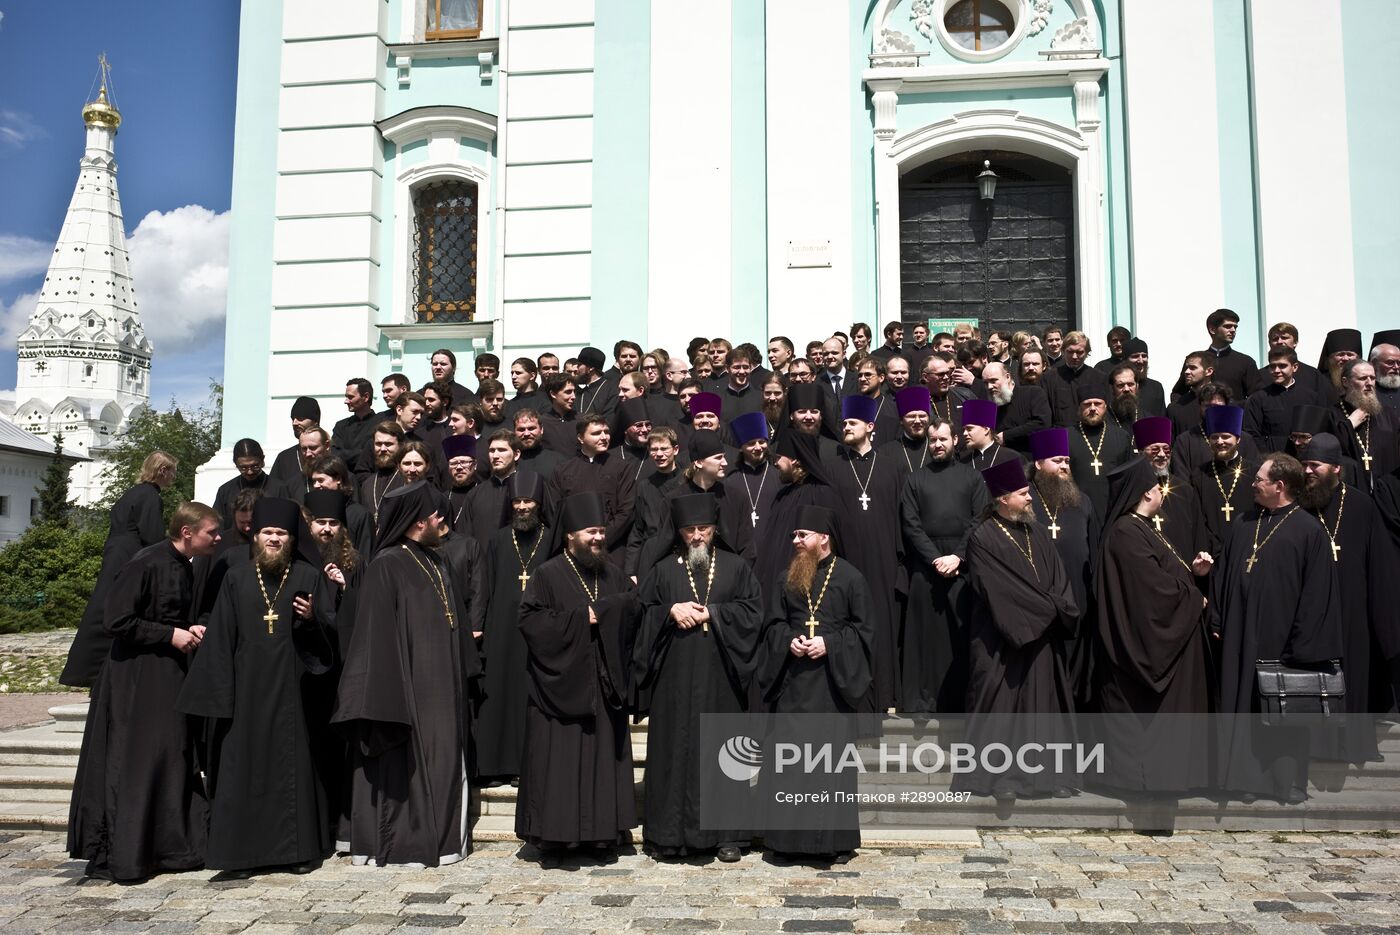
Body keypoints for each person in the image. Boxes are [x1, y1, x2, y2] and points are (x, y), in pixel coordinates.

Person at [176, 497, 337, 877]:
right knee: (241, 769)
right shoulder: (236, 577)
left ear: (292, 538)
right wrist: (218, 695)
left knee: (292, 767)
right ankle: (240, 855)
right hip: (246, 692)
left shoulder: (307, 576)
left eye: (281, 533)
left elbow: (332, 632)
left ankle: (297, 851)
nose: (274, 539)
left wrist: (312, 619)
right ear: (256, 536)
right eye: (268, 532)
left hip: (293, 691)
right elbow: (220, 640)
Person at [67, 501, 222, 882]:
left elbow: (171, 613)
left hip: (166, 674)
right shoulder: (146, 561)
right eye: (211, 533)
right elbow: (118, 620)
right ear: (188, 532)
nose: (218, 539)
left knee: (170, 755)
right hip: (135, 679)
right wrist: (171, 634)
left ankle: (168, 846)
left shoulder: (186, 565)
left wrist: (190, 628)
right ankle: (130, 852)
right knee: (139, 758)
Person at [333, 481, 484, 866]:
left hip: (443, 688)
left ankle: (446, 840)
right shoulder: (387, 565)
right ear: (419, 522)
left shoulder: (438, 560)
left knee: (446, 760)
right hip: (406, 689)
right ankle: (404, 843)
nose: (443, 522)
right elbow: (373, 640)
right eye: (436, 516)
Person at [632, 494, 763, 861]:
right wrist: (668, 611)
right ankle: (668, 837)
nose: (696, 536)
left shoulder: (737, 568)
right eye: (689, 529)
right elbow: (639, 614)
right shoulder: (661, 570)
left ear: (714, 530)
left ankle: (728, 837)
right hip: (673, 681)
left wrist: (714, 615)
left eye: (703, 528)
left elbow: (754, 612)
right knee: (674, 753)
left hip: (721, 678)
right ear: (679, 531)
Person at [516, 492, 640, 866]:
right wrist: (578, 620)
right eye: (591, 532)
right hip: (560, 688)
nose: (599, 538)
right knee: (559, 762)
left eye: (602, 531)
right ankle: (557, 838)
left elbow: (634, 610)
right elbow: (530, 620)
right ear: (570, 536)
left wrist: (608, 613)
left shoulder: (615, 573)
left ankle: (604, 834)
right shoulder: (547, 573)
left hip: (603, 684)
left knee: (604, 758)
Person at [1212, 453, 1341, 804]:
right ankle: (1242, 780)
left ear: (1279, 486)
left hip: (1281, 642)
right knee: (1240, 706)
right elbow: (1224, 573)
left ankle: (1285, 783)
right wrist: (1219, 618)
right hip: (1239, 634)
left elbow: (1317, 595)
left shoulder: (1308, 530)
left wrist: (1302, 644)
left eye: (1259, 479)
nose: (1253, 483)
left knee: (1279, 714)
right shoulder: (1243, 522)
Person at [955, 459, 1079, 801]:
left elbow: (1059, 579)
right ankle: (1000, 780)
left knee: (1041, 707)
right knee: (1001, 708)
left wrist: (1056, 609)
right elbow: (998, 588)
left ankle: (1045, 778)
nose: (1030, 499)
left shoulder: (1036, 531)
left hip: (1041, 638)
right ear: (1002, 499)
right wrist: (1045, 610)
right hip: (1001, 638)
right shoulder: (982, 538)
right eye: (1023, 493)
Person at [1091, 457, 1213, 797]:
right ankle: (1152, 788)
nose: (1162, 491)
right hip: (1150, 647)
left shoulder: (1140, 528)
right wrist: (1193, 600)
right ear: (1145, 494)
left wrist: (1194, 576)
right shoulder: (1126, 533)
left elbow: (1163, 575)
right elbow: (1149, 591)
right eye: (1158, 487)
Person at [756, 504, 872, 862]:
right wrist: (788, 639)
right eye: (794, 535)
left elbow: (865, 631)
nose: (795, 541)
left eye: (802, 535)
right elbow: (772, 624)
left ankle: (832, 843)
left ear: (823, 538)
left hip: (832, 690)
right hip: (793, 686)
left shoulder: (851, 578)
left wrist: (831, 643)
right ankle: (785, 841)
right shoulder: (786, 578)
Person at [1300, 434, 1399, 763]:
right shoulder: (1300, 506)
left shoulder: (1361, 505)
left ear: (1336, 470)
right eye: (1305, 465)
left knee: (1354, 678)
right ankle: (1315, 749)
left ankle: (1352, 746)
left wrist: (1384, 622)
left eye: (1315, 465)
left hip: (1353, 611)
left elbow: (1380, 566)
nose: (1308, 471)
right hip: (1311, 612)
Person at [61, 451, 177, 688]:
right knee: (121, 608)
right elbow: (152, 535)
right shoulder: (150, 496)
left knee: (104, 605)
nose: (173, 477)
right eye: (173, 471)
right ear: (163, 471)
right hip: (131, 556)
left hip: (115, 553)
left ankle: (89, 670)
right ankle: (102, 671)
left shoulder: (132, 493)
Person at [898, 419, 986, 713]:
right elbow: (910, 525)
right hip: (927, 566)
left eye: (942, 439)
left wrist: (958, 556)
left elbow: (979, 519)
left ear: (955, 440)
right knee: (926, 638)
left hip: (962, 566)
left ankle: (960, 701)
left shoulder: (972, 478)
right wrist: (935, 557)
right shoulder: (915, 479)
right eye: (933, 440)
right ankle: (923, 702)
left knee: (960, 636)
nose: (937, 445)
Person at [829, 393, 904, 712]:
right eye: (844, 422)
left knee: (883, 628)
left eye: (852, 422)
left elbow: (904, 514)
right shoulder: (835, 466)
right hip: (848, 562)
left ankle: (885, 695)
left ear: (870, 426)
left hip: (886, 561)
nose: (846, 427)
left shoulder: (892, 464)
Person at [476, 472, 552, 783]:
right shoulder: (497, 539)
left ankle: (525, 766)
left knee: (527, 695)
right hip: (501, 630)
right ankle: (495, 766)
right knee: (499, 693)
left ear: (538, 503)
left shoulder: (551, 539)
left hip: (538, 629)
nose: (522, 506)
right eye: (517, 501)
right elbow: (486, 585)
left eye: (527, 501)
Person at [1027, 427, 1099, 700]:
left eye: (1066, 461)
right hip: (1041, 596)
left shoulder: (1083, 502)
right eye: (1057, 461)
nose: (1064, 466)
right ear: (1038, 464)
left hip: (1078, 596)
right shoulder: (1025, 501)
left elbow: (1093, 550)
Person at [1189, 405, 1257, 553]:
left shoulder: (1255, 472)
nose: (1220, 442)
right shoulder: (1199, 474)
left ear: (1238, 439)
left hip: (1249, 549)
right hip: (1212, 553)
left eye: (1226, 436)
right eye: (1214, 437)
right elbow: (1198, 519)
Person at [1067, 384, 1132, 520]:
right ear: (1079, 407)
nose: (1092, 408)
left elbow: (1129, 476)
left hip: (1113, 508)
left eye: (1097, 404)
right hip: (1076, 509)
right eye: (1087, 404)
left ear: (1105, 407)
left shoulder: (1121, 436)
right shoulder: (1066, 436)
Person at [213, 439, 290, 527]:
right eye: (243, 468)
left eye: (255, 466)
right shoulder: (225, 491)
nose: (250, 472)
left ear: (262, 460)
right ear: (236, 464)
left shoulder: (279, 488)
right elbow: (218, 525)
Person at [268, 396, 322, 491]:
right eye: (293, 418)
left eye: (300, 418)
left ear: (315, 422)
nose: (294, 423)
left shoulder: (333, 454)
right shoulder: (284, 458)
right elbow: (273, 492)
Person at [879, 386, 932, 480]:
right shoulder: (885, 452)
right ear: (901, 420)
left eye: (922, 416)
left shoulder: (937, 448)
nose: (917, 421)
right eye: (911, 416)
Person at [332, 378, 378, 476]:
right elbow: (335, 454)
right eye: (346, 397)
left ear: (366, 397)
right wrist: (363, 453)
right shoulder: (341, 426)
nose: (346, 401)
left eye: (350, 397)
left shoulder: (381, 424)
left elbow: (376, 454)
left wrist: (346, 454)